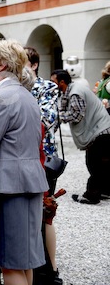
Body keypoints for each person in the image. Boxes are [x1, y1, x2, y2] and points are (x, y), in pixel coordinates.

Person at [0, 39, 49, 285]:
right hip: (28, 181)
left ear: (3, 65)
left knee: (10, 263)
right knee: (23, 261)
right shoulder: (24, 94)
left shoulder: (2, 97)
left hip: (10, 186)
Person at [23, 47, 63, 285]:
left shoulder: (47, 87)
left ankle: (51, 268)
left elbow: (46, 121)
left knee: (45, 214)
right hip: (21, 158)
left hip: (43, 158)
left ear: (35, 65)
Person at [51, 69, 110, 205]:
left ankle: (91, 195)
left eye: (53, 81)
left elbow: (76, 115)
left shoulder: (75, 93)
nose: (52, 84)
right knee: (102, 163)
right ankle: (105, 191)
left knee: (95, 164)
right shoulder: (71, 90)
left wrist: (58, 116)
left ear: (62, 82)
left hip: (100, 131)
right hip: (102, 129)